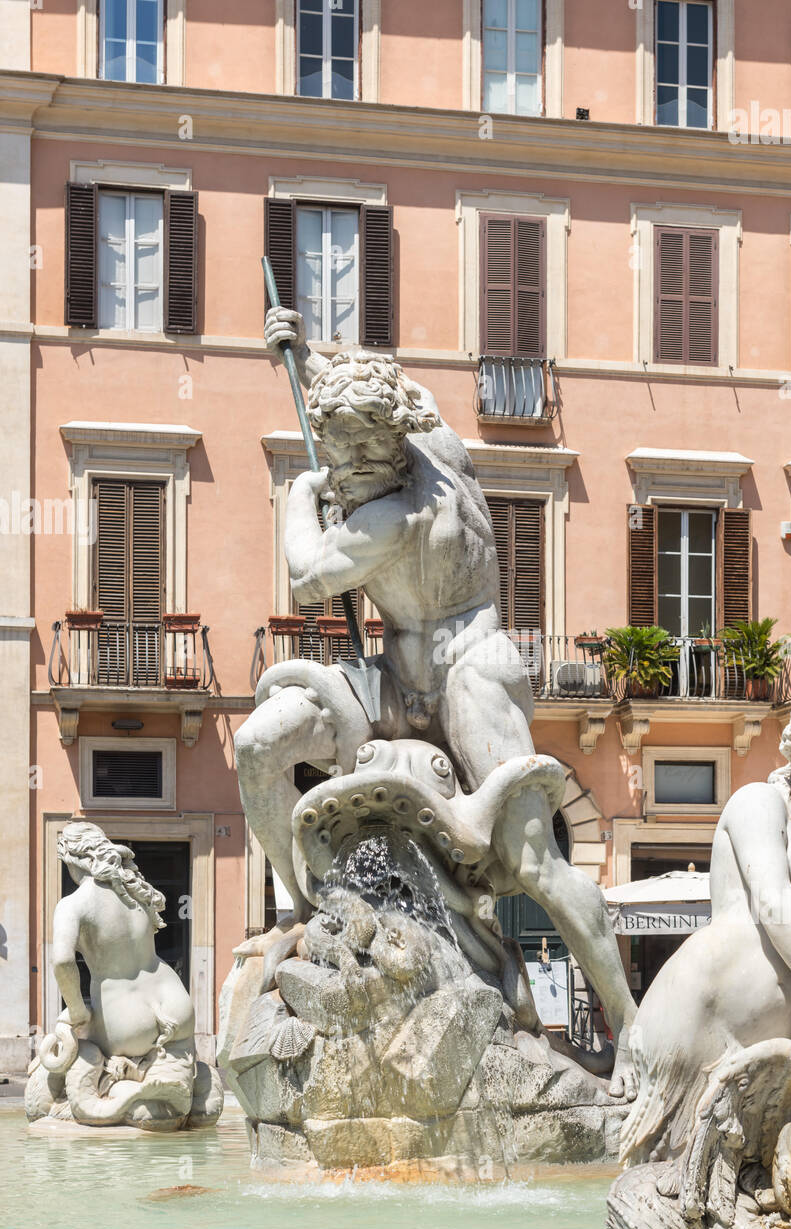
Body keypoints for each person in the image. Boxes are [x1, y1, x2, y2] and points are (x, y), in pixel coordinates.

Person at [233, 308, 638, 1098]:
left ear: (391, 442)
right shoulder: (436, 439)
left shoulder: (392, 512)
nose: (343, 461)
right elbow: (378, 392)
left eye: (355, 447)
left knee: (533, 862)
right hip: (386, 677)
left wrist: (301, 492)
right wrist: (306, 354)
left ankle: (632, 1029)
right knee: (257, 745)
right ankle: (292, 901)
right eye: (333, 441)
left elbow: (310, 579)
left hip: (468, 667)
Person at [621, 694, 791, 1166]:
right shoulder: (759, 803)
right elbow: (773, 898)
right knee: (666, 1172)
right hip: (702, 1010)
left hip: (779, 1039)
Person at [52, 821, 194, 1060]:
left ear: (72, 859)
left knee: (79, 1069)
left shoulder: (72, 904)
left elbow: (62, 961)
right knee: (182, 1081)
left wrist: (77, 1011)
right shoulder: (135, 891)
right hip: (175, 999)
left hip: (125, 1017)